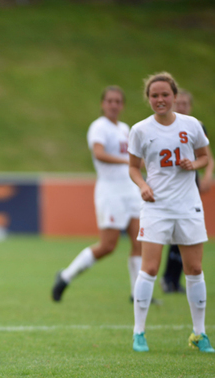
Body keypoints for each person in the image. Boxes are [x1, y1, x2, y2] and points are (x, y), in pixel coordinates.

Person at [127, 72, 213, 353]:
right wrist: (142, 185)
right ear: (148, 99)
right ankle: (138, 333)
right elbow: (133, 167)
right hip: (156, 207)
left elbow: (205, 156)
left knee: (195, 269)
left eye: (165, 94)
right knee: (149, 268)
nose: (160, 99)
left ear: (175, 97)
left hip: (188, 206)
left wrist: (194, 164)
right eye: (154, 95)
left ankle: (199, 334)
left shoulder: (191, 125)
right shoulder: (140, 129)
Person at [52, 86, 143, 302]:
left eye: (117, 101)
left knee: (140, 241)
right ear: (103, 104)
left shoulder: (125, 128)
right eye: (110, 101)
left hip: (130, 189)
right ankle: (66, 276)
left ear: (122, 105)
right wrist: (129, 161)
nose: (113, 105)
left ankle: (137, 295)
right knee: (108, 246)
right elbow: (99, 153)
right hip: (110, 191)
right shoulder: (98, 127)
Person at [161, 89, 215, 294]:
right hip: (170, 185)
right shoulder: (166, 125)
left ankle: (174, 280)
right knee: (173, 233)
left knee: (186, 233)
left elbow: (207, 156)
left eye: (185, 103)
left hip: (189, 183)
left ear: (190, 106)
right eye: (179, 103)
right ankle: (168, 278)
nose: (182, 106)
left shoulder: (195, 126)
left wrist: (207, 175)